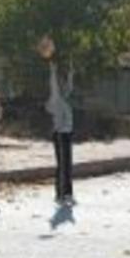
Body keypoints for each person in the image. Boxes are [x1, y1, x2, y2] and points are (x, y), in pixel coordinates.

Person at [46, 60, 75, 204]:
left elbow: (70, 86)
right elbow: (54, 85)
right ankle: (59, 195)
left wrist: (71, 72)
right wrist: (53, 71)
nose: (65, 86)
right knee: (62, 165)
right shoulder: (56, 98)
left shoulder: (66, 97)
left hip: (68, 134)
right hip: (59, 134)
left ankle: (68, 193)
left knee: (68, 164)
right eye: (62, 83)